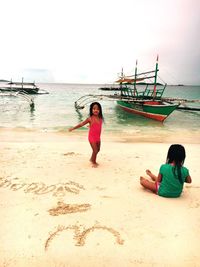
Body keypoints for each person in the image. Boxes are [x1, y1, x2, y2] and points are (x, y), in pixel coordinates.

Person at [69, 102, 103, 167]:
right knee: (95, 150)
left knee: (98, 150)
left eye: (98, 109)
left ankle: (91, 159)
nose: (96, 110)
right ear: (91, 110)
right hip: (92, 137)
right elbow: (81, 124)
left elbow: (96, 126)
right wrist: (73, 128)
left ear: (100, 110)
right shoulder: (90, 118)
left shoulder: (100, 118)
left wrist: (90, 126)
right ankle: (93, 162)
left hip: (98, 137)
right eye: (94, 109)